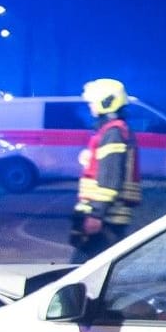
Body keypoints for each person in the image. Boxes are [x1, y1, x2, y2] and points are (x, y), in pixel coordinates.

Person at [69, 77, 140, 264]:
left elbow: (110, 179)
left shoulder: (113, 133)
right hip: (107, 217)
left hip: (106, 220)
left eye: (93, 101)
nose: (90, 105)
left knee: (79, 274)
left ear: (107, 101)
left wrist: (96, 214)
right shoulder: (112, 131)